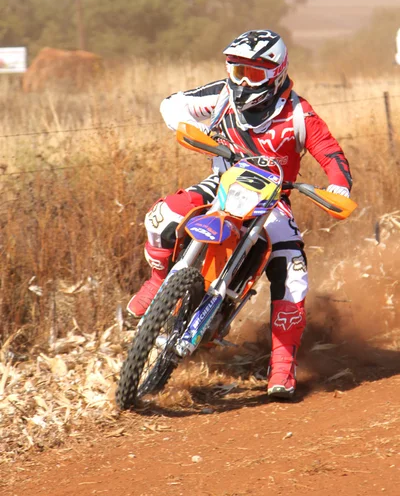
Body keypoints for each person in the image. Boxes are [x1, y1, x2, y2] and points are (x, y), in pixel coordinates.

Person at [127, 29, 352, 398]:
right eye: (237, 70)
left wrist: (338, 186)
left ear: (277, 72)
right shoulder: (220, 96)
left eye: (255, 73)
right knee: (162, 215)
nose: (244, 81)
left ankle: (282, 366)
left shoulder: (299, 113)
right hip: (222, 183)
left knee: (293, 275)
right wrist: (201, 134)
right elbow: (172, 105)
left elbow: (330, 153)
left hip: (273, 202)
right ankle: (156, 282)